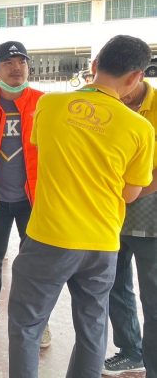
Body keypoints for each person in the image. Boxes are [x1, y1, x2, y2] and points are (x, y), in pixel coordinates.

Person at [7, 35, 155, 378]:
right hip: (102, 243)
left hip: (49, 238)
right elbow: (131, 194)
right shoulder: (140, 128)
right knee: (92, 329)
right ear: (136, 77)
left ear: (94, 65)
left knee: (27, 326)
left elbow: (42, 149)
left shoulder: (49, 105)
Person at [0, 41, 50, 346]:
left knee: (35, 261)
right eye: (8, 63)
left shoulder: (45, 104)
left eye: (22, 62)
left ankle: (37, 319)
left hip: (33, 200)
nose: (16, 68)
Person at [103, 78, 157, 377]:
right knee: (114, 284)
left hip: (150, 219)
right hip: (111, 216)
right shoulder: (107, 104)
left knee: (153, 295)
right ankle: (131, 351)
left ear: (136, 75)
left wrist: (129, 193)